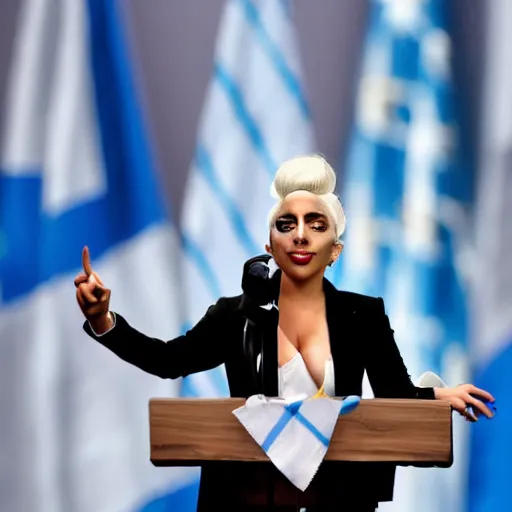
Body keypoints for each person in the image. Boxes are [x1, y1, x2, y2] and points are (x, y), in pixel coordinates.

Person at [75, 154, 494, 511]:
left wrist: (436, 396)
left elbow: (395, 396)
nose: (299, 234)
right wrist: (102, 321)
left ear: (335, 250)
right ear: (270, 244)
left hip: (337, 498)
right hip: (247, 499)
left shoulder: (362, 315)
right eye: (286, 223)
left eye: (315, 223)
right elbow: (167, 361)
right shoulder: (234, 316)